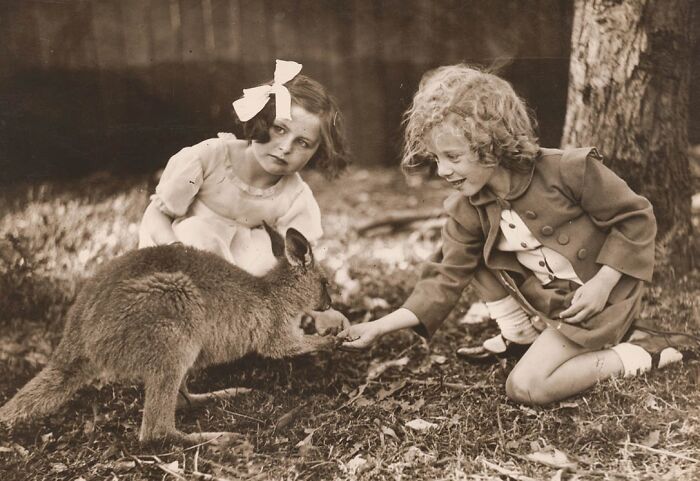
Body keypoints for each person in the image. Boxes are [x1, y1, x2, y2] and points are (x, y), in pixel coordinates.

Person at [338, 64, 690, 405]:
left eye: (453, 157)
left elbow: (636, 217)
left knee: (526, 386)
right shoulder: (468, 206)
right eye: (436, 158)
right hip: (554, 302)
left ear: (491, 143)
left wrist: (604, 282)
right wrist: (379, 327)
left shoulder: (567, 170)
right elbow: (446, 276)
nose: (442, 170)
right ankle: (519, 334)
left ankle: (642, 352)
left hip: (603, 297)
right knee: (470, 250)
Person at [139, 59, 349, 333]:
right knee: (197, 233)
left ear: (317, 152)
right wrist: (176, 250)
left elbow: (301, 267)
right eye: (279, 129)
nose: (285, 148)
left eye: (303, 142)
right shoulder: (209, 158)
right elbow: (157, 213)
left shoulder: (295, 196)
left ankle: (235, 333)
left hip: (235, 279)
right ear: (262, 121)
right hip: (182, 259)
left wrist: (322, 311)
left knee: (267, 259)